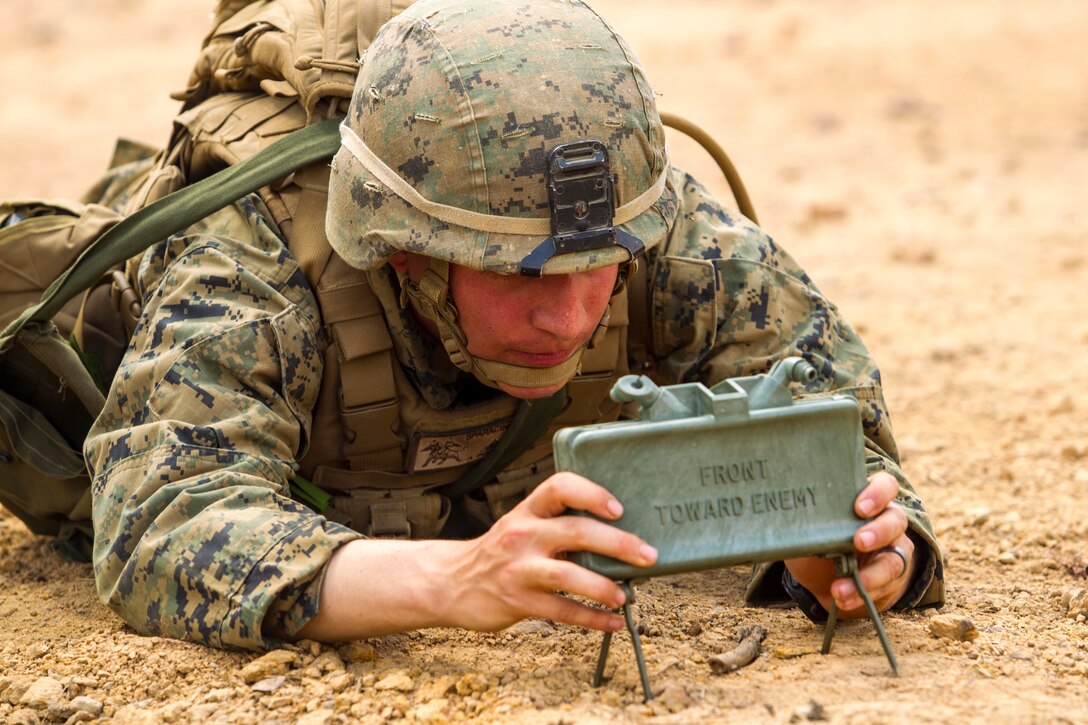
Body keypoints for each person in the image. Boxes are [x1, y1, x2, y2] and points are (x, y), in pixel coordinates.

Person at [80, 0, 944, 650]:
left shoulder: (647, 219)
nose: (566, 317)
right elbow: (158, 519)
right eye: (512, 270)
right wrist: (457, 577)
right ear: (406, 251)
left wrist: (860, 543)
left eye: (593, 270)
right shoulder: (257, 256)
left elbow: (843, 425)